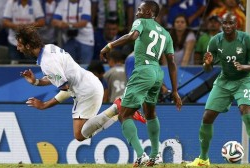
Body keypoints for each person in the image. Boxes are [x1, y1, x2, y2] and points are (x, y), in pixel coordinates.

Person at [17, 25, 146, 142]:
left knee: (79, 134)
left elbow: (66, 89)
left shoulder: (47, 62)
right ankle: (118, 111)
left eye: (20, 45)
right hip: (91, 83)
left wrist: (45, 105)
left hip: (85, 91)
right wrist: (36, 82)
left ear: (28, 46)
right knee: (84, 132)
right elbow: (58, 77)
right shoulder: (50, 48)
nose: (18, 48)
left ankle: (116, 108)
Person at [100, 1, 182, 167]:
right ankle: (155, 154)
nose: (137, 12)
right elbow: (172, 63)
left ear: (149, 12)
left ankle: (140, 155)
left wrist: (109, 45)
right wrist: (175, 90)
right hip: (157, 73)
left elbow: (132, 36)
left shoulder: (141, 22)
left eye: (140, 9)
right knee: (150, 113)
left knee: (124, 114)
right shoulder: (166, 33)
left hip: (143, 70)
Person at [186, 13, 250, 167]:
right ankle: (203, 159)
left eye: (231, 23)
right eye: (225, 23)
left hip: (244, 80)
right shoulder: (215, 40)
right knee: (207, 117)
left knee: (246, 112)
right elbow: (208, 69)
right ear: (221, 24)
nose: (227, 26)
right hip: (224, 81)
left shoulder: (246, 39)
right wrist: (207, 64)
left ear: (237, 24)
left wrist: (244, 66)